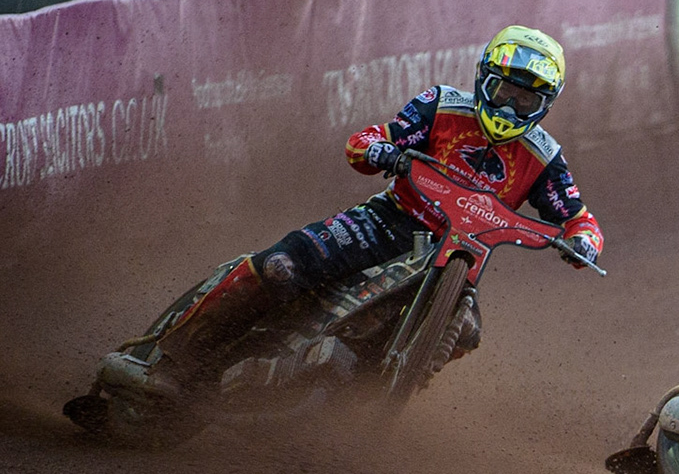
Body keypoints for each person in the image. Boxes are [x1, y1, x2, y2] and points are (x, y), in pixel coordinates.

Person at [117, 25, 603, 398]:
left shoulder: (543, 157)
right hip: (388, 222)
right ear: (484, 80)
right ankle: (174, 360)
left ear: (545, 104)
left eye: (528, 98)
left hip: (458, 259)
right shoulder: (441, 106)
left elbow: (579, 217)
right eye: (505, 92)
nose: (513, 106)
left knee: (467, 332)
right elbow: (367, 140)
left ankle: (359, 399)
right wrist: (382, 153)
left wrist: (583, 243)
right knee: (282, 266)